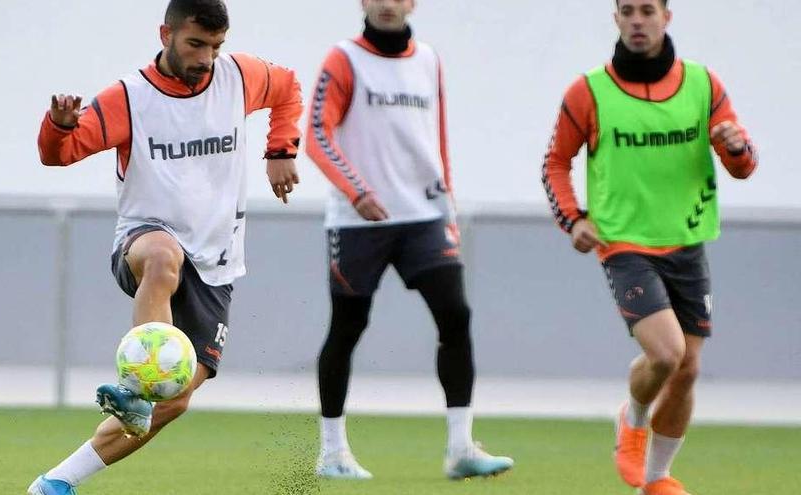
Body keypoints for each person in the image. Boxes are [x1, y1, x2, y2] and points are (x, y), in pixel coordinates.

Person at [28, 1, 302, 493]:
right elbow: (59, 155)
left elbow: (288, 88)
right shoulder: (129, 98)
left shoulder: (239, 77)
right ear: (166, 34)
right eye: (196, 44)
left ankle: (56, 482)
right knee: (161, 257)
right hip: (146, 240)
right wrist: (60, 126)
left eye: (216, 47)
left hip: (216, 262)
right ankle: (134, 385)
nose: (206, 58)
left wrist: (281, 149)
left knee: (173, 400)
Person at [541, 1, 758, 494]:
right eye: (628, 11)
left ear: (666, 17)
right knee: (666, 355)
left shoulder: (704, 84)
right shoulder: (588, 91)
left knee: (688, 370)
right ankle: (632, 417)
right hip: (623, 245)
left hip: (687, 240)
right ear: (616, 19)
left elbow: (743, 165)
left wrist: (735, 146)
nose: (638, 20)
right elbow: (555, 162)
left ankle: (656, 480)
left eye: (647, 10)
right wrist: (572, 220)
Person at [305, 0, 513, 481]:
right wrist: (355, 191)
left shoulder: (428, 60)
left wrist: (448, 208)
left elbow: (436, 139)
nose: (386, 4)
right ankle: (332, 452)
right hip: (359, 222)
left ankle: (461, 448)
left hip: (423, 216)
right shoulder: (344, 59)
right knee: (349, 325)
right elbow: (317, 133)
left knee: (455, 315)